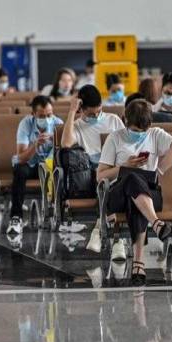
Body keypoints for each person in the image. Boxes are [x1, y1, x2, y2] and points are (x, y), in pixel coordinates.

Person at [98, 99, 172, 285]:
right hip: (117, 194)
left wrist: (158, 170)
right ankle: (156, 225)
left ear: (149, 125)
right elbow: (101, 176)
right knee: (131, 177)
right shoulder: (115, 138)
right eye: (135, 131)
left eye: (142, 131)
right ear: (125, 121)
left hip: (148, 196)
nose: (139, 135)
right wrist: (124, 166)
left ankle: (139, 263)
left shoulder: (155, 135)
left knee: (137, 197)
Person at [61, 85, 125, 254]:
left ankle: (98, 230)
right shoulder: (77, 125)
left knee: (113, 183)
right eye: (91, 114)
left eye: (99, 111)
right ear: (81, 108)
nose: (96, 116)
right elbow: (66, 144)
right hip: (92, 172)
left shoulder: (113, 120)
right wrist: (71, 111)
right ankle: (117, 240)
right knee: (104, 184)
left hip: (114, 168)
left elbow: (124, 148)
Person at [7, 96, 64, 234]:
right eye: (42, 116)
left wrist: (54, 142)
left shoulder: (58, 124)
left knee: (63, 171)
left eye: (49, 114)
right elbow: (21, 157)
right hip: (31, 164)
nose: (46, 118)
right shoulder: (26, 124)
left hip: (50, 166)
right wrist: (35, 145)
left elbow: (63, 153)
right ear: (33, 114)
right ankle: (16, 217)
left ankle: (64, 217)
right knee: (19, 170)